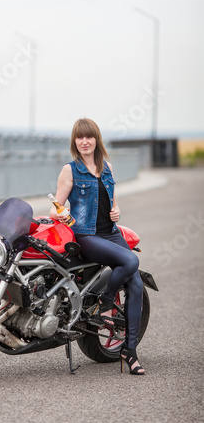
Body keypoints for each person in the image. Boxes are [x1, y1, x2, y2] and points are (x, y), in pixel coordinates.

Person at [50, 118, 145, 375]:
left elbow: (112, 204)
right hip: (86, 236)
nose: (84, 142)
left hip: (111, 233)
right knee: (131, 261)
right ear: (75, 142)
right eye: (79, 138)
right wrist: (59, 212)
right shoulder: (70, 170)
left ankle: (130, 350)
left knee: (136, 285)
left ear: (96, 140)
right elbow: (55, 205)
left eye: (88, 137)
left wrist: (117, 212)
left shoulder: (107, 168)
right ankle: (104, 301)